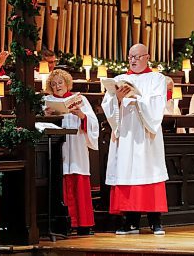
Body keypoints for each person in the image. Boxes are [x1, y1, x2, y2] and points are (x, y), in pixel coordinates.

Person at [101, 44, 168, 235]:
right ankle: (130, 221)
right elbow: (108, 105)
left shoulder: (157, 78)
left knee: (149, 171)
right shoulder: (120, 79)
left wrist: (137, 97)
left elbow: (157, 104)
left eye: (137, 57)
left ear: (147, 57)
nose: (133, 60)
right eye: (130, 56)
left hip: (146, 135)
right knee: (126, 173)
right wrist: (119, 100)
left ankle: (156, 221)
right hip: (126, 134)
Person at [44, 69, 99, 235]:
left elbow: (93, 123)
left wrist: (82, 115)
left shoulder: (80, 99)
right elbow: (41, 125)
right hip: (57, 146)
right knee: (60, 181)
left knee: (78, 179)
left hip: (76, 146)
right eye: (53, 84)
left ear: (67, 83)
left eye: (60, 83)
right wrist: (47, 116)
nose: (57, 86)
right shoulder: (47, 101)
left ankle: (83, 224)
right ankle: (63, 224)